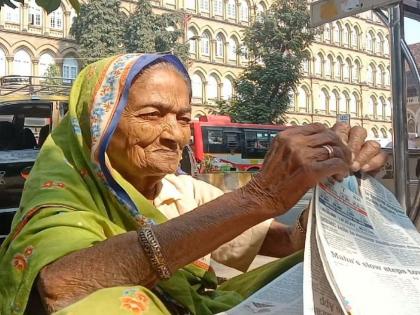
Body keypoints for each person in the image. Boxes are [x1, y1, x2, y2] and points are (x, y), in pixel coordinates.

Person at [0, 54, 386, 315]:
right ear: (98, 126)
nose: (174, 135)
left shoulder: (184, 190)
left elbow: (287, 242)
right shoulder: (63, 198)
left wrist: (338, 192)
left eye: (184, 119)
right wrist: (259, 197)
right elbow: (58, 286)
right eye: (151, 115)